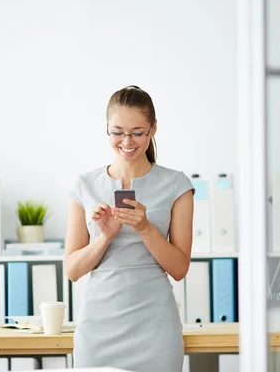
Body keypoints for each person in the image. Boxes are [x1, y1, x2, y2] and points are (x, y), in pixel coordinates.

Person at [64, 85, 195, 372]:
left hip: (155, 329)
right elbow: (72, 270)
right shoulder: (84, 185)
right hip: (97, 329)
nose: (127, 141)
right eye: (117, 132)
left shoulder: (177, 185)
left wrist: (146, 228)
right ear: (107, 130)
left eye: (138, 132)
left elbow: (179, 268)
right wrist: (105, 238)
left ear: (153, 128)